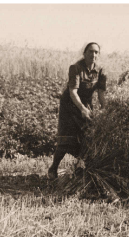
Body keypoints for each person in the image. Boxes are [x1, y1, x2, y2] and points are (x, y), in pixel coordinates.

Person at [47, 42, 107, 179]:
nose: (93, 55)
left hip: (86, 104)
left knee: (87, 136)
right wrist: (82, 109)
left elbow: (101, 95)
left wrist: (104, 110)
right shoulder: (76, 68)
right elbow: (73, 92)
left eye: (96, 52)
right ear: (84, 53)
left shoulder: (101, 71)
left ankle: (80, 169)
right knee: (66, 138)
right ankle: (53, 168)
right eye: (90, 51)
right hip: (70, 105)